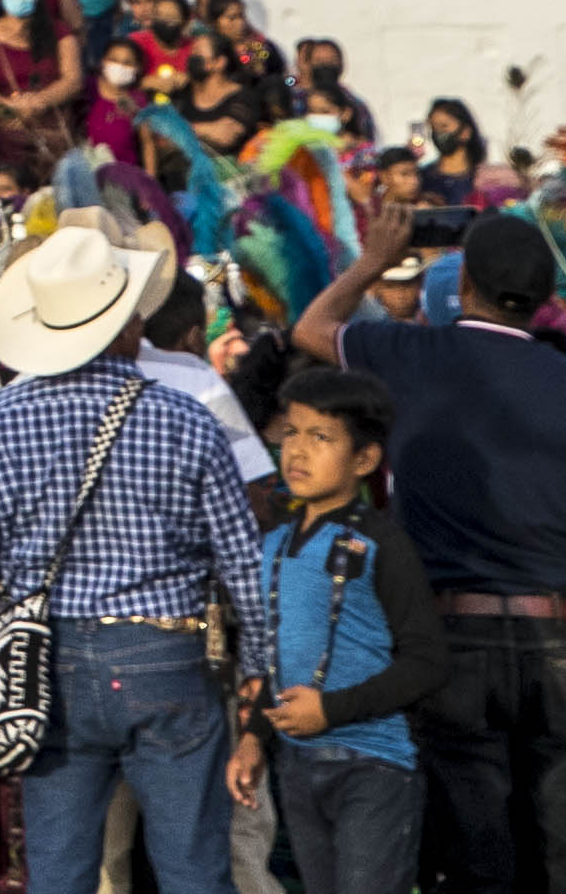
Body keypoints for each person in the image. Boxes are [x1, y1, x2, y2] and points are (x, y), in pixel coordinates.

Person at [298, 191, 566, 894]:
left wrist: (373, 262)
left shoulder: (407, 353)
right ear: (545, 297)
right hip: (563, 633)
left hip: (450, 636)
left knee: (478, 855)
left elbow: (312, 327)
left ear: (466, 286)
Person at [0, 219, 269, 894]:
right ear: (127, 327)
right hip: (166, 653)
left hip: (50, 659)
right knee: (193, 869)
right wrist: (259, 672)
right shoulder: (186, 419)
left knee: (59, 870)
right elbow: (242, 563)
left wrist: (5, 627)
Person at [231, 365, 445, 894]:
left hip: (374, 765)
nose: (298, 451)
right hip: (297, 764)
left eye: (321, 437)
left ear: (364, 460)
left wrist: (331, 709)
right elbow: (276, 655)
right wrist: (254, 738)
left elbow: (427, 661)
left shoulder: (382, 543)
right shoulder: (273, 544)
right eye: (291, 433)